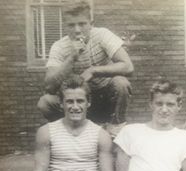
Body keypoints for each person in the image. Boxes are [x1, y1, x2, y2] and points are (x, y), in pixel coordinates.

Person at [37, 0, 134, 128]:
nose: (77, 30)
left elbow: (128, 66)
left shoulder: (102, 35)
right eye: (71, 25)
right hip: (78, 101)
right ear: (65, 26)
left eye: (82, 24)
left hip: (106, 98)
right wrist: (72, 58)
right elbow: (49, 87)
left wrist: (93, 71)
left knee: (121, 83)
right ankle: (69, 131)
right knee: (45, 102)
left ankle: (116, 129)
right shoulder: (59, 46)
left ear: (91, 24)